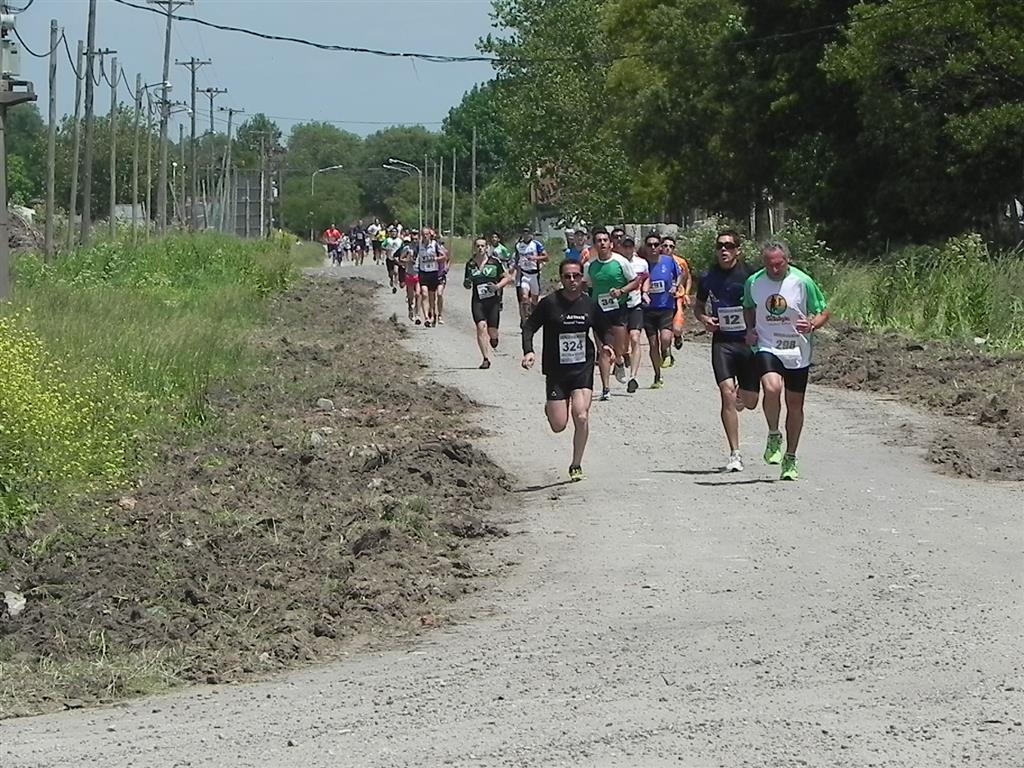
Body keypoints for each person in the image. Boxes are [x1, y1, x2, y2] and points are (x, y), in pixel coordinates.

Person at [743, 239, 830, 481]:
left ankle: (790, 457)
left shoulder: (802, 282)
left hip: (797, 351)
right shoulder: (754, 282)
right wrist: (749, 329)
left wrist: (812, 324)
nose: (774, 270)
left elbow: (823, 311)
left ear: (787, 260)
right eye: (769, 265)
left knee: (795, 406)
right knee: (772, 387)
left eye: (779, 265)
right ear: (763, 263)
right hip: (767, 345)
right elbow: (748, 307)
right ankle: (773, 434)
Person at [521, 260, 608, 482]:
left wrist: (605, 346)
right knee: (558, 425)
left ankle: (576, 463)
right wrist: (529, 351)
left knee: (581, 414)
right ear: (561, 278)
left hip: (582, 368)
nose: (572, 280)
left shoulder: (589, 304)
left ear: (582, 278)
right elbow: (529, 327)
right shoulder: (550, 303)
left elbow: (600, 329)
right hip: (557, 371)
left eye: (576, 276)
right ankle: (551, 408)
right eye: (567, 276)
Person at [694, 230, 760, 471]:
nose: (724, 250)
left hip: (747, 342)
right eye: (720, 245)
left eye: (730, 246)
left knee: (751, 402)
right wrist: (704, 319)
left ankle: (744, 395)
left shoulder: (751, 275)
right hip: (722, 342)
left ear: (738, 250)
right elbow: (699, 306)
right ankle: (735, 452)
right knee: (726, 392)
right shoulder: (708, 276)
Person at [584, 227, 642, 401]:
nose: (602, 243)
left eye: (604, 240)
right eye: (598, 241)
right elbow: (587, 286)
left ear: (610, 243)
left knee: (621, 348)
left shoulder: (620, 262)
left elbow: (635, 281)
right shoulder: (590, 266)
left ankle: (619, 362)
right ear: (594, 245)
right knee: (603, 350)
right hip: (598, 313)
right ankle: (606, 388)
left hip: (618, 311)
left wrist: (621, 291)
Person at [464, 237, 513, 369]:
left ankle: (494, 338)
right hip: (477, 300)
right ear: (475, 248)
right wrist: (467, 283)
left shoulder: (494, 262)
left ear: (487, 248)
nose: (480, 248)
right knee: (480, 327)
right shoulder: (470, 264)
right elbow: (467, 282)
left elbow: (508, 277)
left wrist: (497, 287)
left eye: (482, 246)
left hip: (492, 301)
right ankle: (485, 358)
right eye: (478, 246)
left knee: (492, 331)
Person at [641, 242, 682, 390]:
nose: (653, 247)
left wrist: (675, 286)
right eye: (649, 245)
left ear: (660, 247)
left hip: (666, 306)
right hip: (648, 309)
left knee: (665, 338)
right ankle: (657, 375)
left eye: (655, 244)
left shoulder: (668, 260)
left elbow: (679, 275)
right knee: (653, 344)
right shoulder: (642, 263)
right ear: (645, 247)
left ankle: (666, 351)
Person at [621, 236, 648, 393]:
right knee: (622, 344)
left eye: (630, 246)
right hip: (620, 306)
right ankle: (624, 356)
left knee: (635, 338)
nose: (628, 249)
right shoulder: (617, 262)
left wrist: (645, 292)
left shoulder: (642, 263)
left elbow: (646, 278)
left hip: (635, 304)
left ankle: (633, 377)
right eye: (625, 246)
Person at [659, 235, 691, 362]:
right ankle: (667, 353)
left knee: (676, 328)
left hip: (677, 297)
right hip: (662, 299)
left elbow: (687, 278)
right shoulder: (656, 261)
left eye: (671, 246)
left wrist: (687, 293)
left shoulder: (680, 262)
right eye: (665, 246)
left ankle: (678, 336)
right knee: (664, 330)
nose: (668, 249)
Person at [414, 227, 447, 327]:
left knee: (432, 297)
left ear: (430, 235)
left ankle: (433, 314)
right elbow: (414, 256)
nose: (425, 236)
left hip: (433, 272)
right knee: (424, 294)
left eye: (427, 234)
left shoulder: (434, 245)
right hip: (423, 272)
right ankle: (426, 318)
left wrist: (436, 258)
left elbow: (444, 256)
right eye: (423, 234)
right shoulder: (419, 245)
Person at [514, 227, 547, 324]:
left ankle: (534, 315)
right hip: (524, 274)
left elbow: (546, 257)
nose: (526, 235)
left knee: (535, 300)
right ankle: (526, 318)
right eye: (524, 233)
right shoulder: (518, 245)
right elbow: (516, 259)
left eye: (528, 233)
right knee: (524, 297)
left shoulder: (536, 244)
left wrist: (535, 257)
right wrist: (515, 267)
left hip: (534, 275)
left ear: (531, 234)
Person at [399, 233, 420, 323]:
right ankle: (410, 309)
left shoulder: (421, 248)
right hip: (409, 273)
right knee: (411, 296)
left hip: (419, 274)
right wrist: (408, 260)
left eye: (416, 239)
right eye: (413, 239)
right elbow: (401, 259)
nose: (415, 241)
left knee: (418, 294)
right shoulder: (407, 248)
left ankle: (418, 314)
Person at [384, 226, 404, 293]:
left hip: (396, 258)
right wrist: (386, 249)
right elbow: (382, 245)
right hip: (389, 258)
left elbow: (403, 248)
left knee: (396, 272)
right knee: (391, 273)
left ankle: (395, 286)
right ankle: (391, 279)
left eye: (395, 232)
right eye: (392, 232)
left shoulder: (400, 240)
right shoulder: (388, 240)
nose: (393, 233)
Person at [435, 238, 450, 324]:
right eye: (439, 244)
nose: (441, 246)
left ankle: (440, 315)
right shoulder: (431, 252)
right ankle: (432, 312)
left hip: (441, 276)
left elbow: (448, 260)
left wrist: (447, 267)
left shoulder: (445, 251)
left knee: (439, 294)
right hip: (432, 276)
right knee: (432, 296)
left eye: (442, 244)